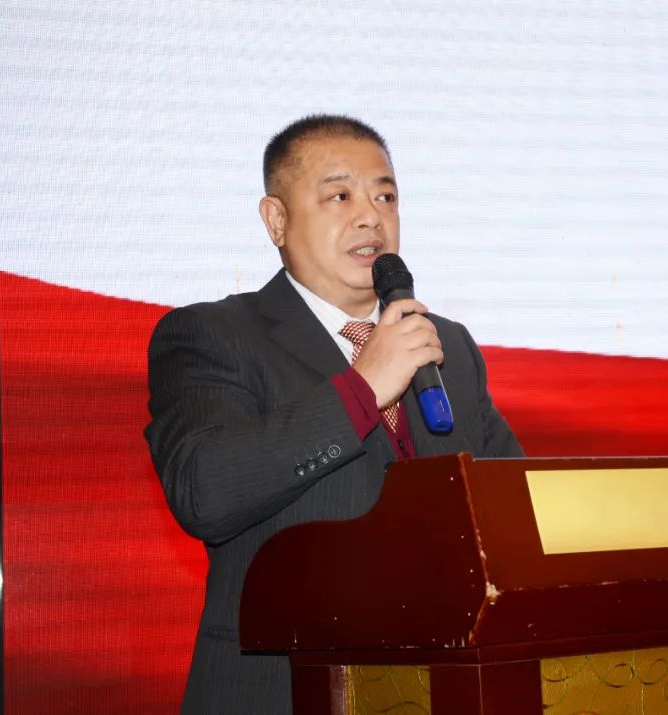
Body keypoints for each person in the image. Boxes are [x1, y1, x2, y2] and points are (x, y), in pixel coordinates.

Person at [144, 115, 523, 714]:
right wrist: (363, 387)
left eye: (385, 196)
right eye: (340, 196)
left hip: (437, 690)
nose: (371, 216)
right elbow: (206, 491)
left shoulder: (445, 343)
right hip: (281, 691)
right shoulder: (212, 335)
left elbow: (514, 504)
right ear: (276, 219)